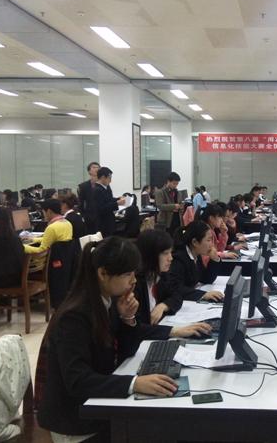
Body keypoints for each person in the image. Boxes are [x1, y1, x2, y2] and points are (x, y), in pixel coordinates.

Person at [37, 237, 211, 441]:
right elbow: (78, 381)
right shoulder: (75, 316)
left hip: (96, 407)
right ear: (103, 273)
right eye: (128, 274)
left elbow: (125, 352)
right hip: (77, 421)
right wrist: (134, 383)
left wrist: (128, 319)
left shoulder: (107, 300)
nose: (134, 280)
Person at [163, 221, 223, 314]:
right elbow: (176, 288)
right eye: (208, 240)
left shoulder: (196, 254)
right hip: (178, 308)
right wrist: (203, 295)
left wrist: (215, 259)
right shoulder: (179, 259)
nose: (211, 244)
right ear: (195, 242)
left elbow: (206, 279)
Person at [93, 167, 126, 238]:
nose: (110, 181)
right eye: (109, 178)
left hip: (110, 221)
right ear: (102, 177)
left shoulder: (107, 187)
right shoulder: (97, 190)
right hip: (103, 223)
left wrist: (118, 198)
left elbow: (109, 199)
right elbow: (102, 208)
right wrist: (117, 203)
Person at [77, 161, 101, 234]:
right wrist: (83, 216)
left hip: (101, 216)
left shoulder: (103, 184)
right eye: (94, 167)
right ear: (89, 171)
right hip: (89, 217)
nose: (96, 169)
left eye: (98, 167)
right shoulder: (83, 186)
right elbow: (80, 203)